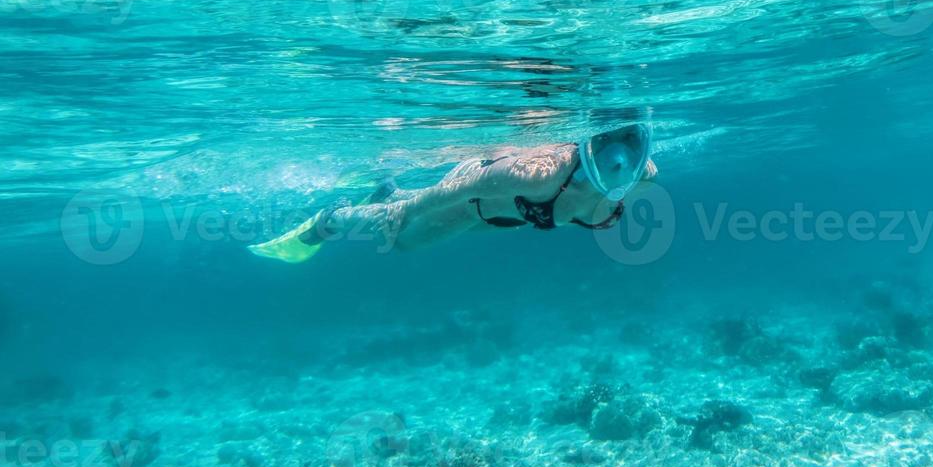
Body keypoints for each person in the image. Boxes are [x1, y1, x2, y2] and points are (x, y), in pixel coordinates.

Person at [248, 123, 656, 263]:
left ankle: (388, 190)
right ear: (589, 140)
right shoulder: (536, 175)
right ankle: (332, 219)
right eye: (605, 144)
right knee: (402, 238)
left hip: (506, 218)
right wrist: (404, 211)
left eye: (630, 145)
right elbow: (459, 191)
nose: (618, 159)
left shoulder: (641, 172)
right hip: (471, 200)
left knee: (407, 221)